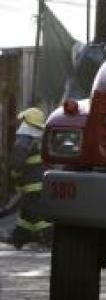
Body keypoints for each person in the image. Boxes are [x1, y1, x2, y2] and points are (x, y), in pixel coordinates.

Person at [7, 107, 51, 249]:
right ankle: (19, 237)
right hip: (40, 183)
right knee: (26, 214)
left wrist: (14, 174)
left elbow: (18, 162)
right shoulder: (39, 138)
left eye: (22, 121)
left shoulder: (23, 140)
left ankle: (49, 237)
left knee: (37, 215)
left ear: (26, 122)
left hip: (32, 185)